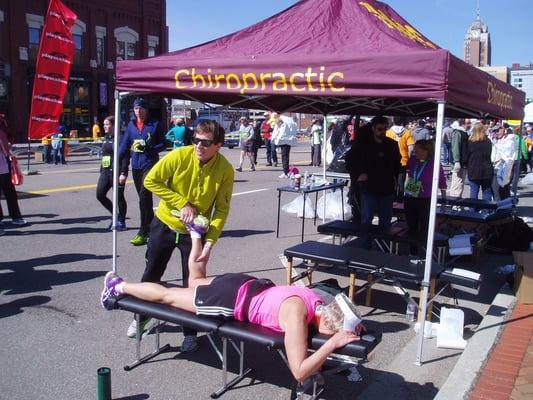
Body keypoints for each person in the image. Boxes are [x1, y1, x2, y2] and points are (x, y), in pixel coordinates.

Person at [101, 234, 364, 382]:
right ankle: (119, 287)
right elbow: (299, 372)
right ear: (328, 324)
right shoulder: (296, 316)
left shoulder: (317, 298)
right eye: (334, 334)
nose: (334, 339)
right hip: (230, 299)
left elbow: (338, 314)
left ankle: (195, 237)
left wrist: (349, 326)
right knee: (169, 296)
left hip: (247, 283)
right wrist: (330, 345)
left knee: (194, 281)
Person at [130, 120, 234, 351]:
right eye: (195, 139)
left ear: (218, 145)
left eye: (205, 142)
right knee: (152, 272)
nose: (198, 145)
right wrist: (181, 203)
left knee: (193, 283)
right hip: (165, 223)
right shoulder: (179, 156)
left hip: (194, 233)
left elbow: (222, 209)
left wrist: (210, 242)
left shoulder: (225, 170)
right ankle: (142, 318)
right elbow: (150, 181)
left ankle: (190, 332)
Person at [118, 98, 165, 246]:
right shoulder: (131, 126)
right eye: (136, 108)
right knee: (145, 200)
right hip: (136, 166)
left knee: (144, 197)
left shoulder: (155, 124)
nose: (138, 111)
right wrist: (117, 162)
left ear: (146, 110)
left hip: (150, 164)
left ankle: (143, 231)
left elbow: (163, 144)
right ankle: (153, 229)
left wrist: (150, 148)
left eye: (141, 108)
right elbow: (124, 146)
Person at [348, 116, 400, 229]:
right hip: (368, 188)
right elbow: (350, 160)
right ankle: (365, 245)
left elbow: (397, 163)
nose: (382, 132)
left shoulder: (392, 144)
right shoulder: (363, 144)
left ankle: (384, 245)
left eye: (385, 129)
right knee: (366, 220)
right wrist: (358, 174)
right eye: (379, 129)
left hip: (386, 188)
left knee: (386, 221)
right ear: (373, 129)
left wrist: (394, 177)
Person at [404, 140, 446, 254]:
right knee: (412, 226)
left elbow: (442, 182)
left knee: (424, 226)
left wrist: (443, 200)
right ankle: (413, 252)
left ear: (425, 151)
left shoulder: (434, 163)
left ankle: (424, 252)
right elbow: (409, 174)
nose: (414, 152)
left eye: (417, 150)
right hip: (410, 197)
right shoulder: (412, 161)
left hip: (425, 199)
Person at [96, 116, 128, 231]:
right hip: (105, 172)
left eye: (107, 124)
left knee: (119, 197)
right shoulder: (106, 137)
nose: (104, 126)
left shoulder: (121, 138)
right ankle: (115, 215)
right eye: (104, 124)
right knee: (100, 194)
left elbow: (124, 156)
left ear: (114, 126)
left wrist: (123, 173)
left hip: (117, 172)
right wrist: (101, 170)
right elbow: (105, 155)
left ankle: (121, 221)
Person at [0, 115, 26, 234]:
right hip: (3, 166)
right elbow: (6, 149)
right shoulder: (2, 131)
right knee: (9, 191)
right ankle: (16, 217)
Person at [386, 117, 415, 201]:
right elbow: (411, 148)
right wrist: (408, 157)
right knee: (401, 181)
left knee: (392, 180)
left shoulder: (388, 132)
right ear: (402, 122)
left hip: (390, 160)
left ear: (393, 122)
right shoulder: (407, 132)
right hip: (403, 160)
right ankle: (400, 199)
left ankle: (393, 198)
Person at [466, 123, 494, 201]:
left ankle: (473, 210)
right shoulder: (488, 141)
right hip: (487, 168)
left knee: (474, 191)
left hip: (473, 169)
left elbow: (466, 155)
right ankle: (486, 210)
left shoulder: (470, 142)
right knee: (486, 191)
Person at [491, 125, 516, 200]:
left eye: (498, 131)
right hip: (496, 167)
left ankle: (503, 208)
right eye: (495, 131)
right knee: (497, 190)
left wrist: (495, 144)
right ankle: (502, 208)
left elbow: (506, 154)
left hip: (505, 169)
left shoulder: (510, 140)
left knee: (501, 190)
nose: (496, 133)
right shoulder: (497, 140)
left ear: (504, 130)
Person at [450, 119, 471, 197]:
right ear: (463, 123)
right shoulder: (458, 133)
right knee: (457, 184)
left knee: (460, 183)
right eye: (468, 123)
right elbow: (455, 147)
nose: (470, 125)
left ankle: (456, 202)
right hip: (459, 162)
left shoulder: (464, 133)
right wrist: (456, 161)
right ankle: (454, 203)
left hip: (463, 162)